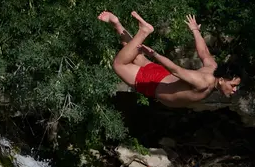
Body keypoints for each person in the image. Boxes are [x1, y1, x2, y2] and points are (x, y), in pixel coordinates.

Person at [98, 11, 242, 107]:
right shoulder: (204, 82)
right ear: (222, 79)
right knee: (118, 64)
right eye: (233, 85)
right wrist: (154, 54)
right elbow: (176, 70)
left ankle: (116, 23)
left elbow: (204, 52)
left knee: (133, 53)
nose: (235, 90)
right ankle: (144, 31)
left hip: (161, 77)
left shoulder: (213, 67)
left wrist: (195, 31)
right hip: (153, 83)